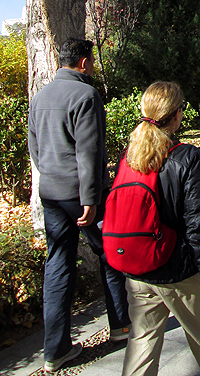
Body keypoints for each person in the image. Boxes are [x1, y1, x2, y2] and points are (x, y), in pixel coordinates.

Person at [120, 81, 200, 376]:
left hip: (138, 267)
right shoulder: (186, 157)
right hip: (178, 270)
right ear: (177, 114)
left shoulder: (130, 155)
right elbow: (199, 221)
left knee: (141, 343)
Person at [28, 39, 130, 373]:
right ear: (84, 63)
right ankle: (120, 327)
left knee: (57, 265)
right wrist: (90, 198)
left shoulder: (39, 97)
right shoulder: (86, 96)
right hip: (86, 197)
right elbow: (89, 151)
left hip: (52, 194)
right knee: (110, 256)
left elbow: (35, 148)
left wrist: (52, 180)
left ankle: (55, 350)